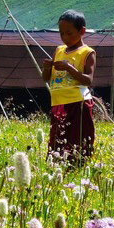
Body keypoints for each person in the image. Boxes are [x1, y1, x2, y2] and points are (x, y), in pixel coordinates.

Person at [40, 10, 96, 166]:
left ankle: (77, 167)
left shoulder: (87, 53)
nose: (65, 37)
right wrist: (47, 68)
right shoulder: (59, 50)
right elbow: (46, 78)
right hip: (58, 103)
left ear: (82, 31)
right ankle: (56, 166)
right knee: (57, 139)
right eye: (61, 33)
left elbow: (88, 80)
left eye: (69, 33)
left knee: (77, 138)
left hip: (78, 103)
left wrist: (69, 68)